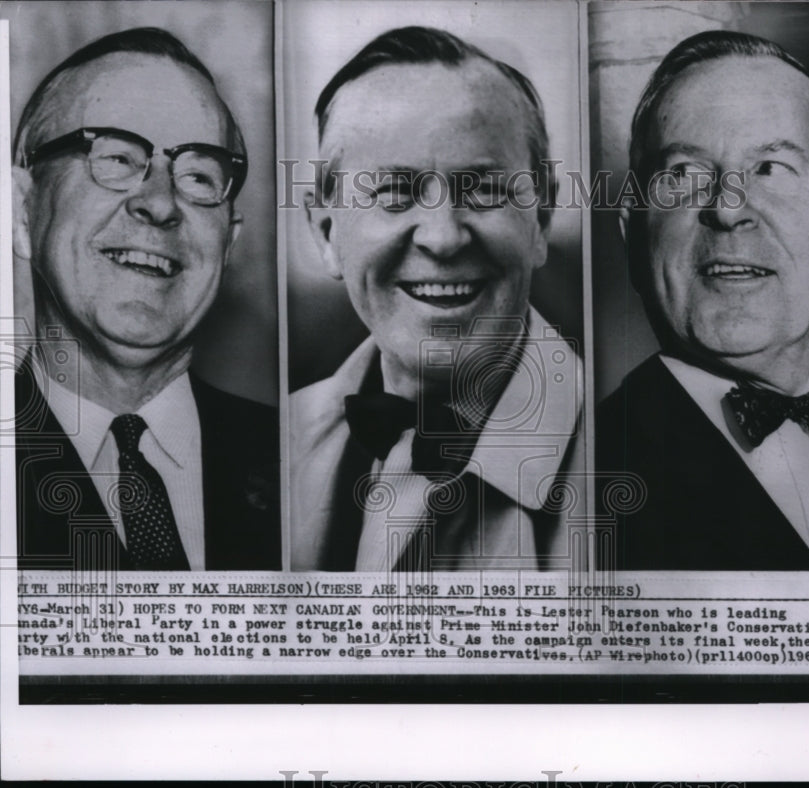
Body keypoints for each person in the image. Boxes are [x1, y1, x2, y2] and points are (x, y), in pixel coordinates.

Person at [597, 30, 809, 571]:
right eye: (685, 174)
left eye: (770, 169)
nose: (729, 210)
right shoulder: (576, 482)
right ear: (635, 240)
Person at [290, 26, 583, 572]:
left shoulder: (638, 452)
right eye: (394, 193)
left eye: (482, 190)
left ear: (540, 220)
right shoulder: (268, 447)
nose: (442, 237)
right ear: (327, 234)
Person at [13, 27, 280, 571]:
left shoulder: (306, 468)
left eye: (199, 175)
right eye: (115, 157)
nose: (159, 203)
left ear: (228, 243)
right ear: (21, 210)